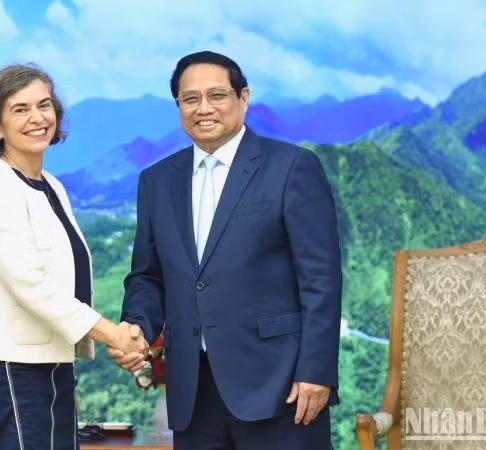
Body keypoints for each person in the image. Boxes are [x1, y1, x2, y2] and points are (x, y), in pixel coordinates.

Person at [109, 51, 343, 449]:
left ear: (243, 97)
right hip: (192, 391)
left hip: (280, 386)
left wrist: (317, 371)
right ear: (179, 106)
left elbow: (321, 278)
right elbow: (148, 275)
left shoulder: (292, 166)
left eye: (217, 95)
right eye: (190, 99)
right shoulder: (157, 181)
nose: (204, 108)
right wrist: (139, 329)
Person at [0, 63, 148, 450]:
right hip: (7, 367)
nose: (37, 117)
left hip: (50, 361)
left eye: (45, 105)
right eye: (20, 109)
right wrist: (113, 333)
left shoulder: (51, 186)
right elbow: (30, 284)